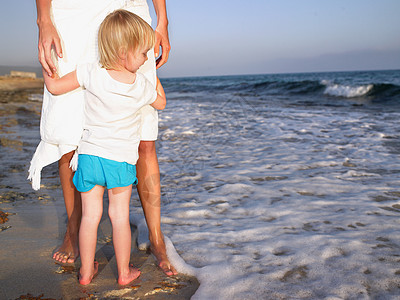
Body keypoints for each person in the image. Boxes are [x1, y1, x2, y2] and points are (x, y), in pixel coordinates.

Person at [30, 0, 177, 276]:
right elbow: (160, 103)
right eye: (143, 53)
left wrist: (162, 19)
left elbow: (55, 86)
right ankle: (123, 272)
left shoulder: (89, 72)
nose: (146, 57)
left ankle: (86, 272)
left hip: (89, 161)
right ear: (127, 53)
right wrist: (44, 20)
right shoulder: (141, 85)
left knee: (91, 214)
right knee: (118, 217)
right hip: (120, 164)